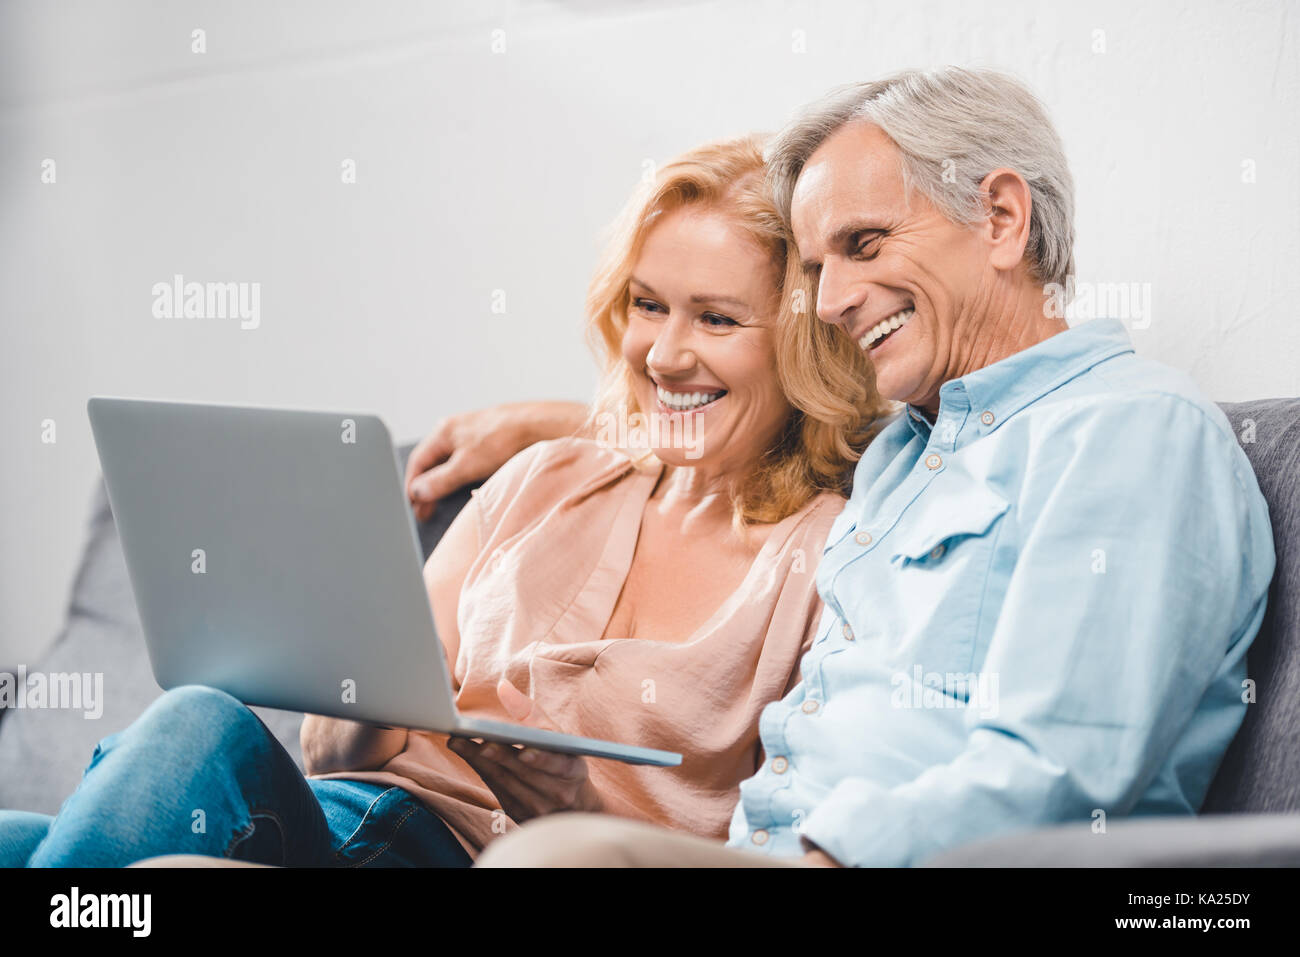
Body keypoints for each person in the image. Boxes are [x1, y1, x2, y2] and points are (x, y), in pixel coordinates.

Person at [428, 67, 1276, 867]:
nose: (830, 302)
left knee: (552, 859)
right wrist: (571, 424)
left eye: (864, 244)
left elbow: (1058, 769)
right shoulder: (907, 453)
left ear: (1003, 220)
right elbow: (734, 427)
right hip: (761, 853)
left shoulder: (1129, 432)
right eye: (816, 268)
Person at [0, 134, 888, 868]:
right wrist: (369, 705)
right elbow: (332, 749)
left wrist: (568, 803)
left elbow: (763, 840)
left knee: (193, 727)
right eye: (648, 305)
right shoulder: (545, 479)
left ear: (807, 345)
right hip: (322, 820)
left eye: (718, 319)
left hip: (453, 854)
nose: (662, 353)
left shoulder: (831, 557)